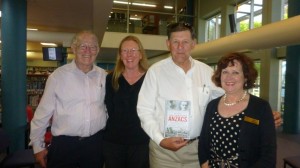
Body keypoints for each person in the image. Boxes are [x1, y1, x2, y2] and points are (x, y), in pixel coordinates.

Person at [137, 22, 282, 168]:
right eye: (175, 42)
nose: (180, 47)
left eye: (185, 42)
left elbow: (230, 93)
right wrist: (160, 140)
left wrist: (262, 114)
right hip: (164, 153)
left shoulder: (206, 72)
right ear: (168, 43)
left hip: (197, 150)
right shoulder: (155, 72)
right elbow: (144, 110)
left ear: (193, 43)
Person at [30, 30, 107, 168]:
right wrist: (38, 146)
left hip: (95, 145)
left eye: (93, 46)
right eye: (83, 46)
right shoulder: (58, 76)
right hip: (64, 146)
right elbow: (43, 113)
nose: (87, 51)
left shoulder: (104, 76)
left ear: (98, 50)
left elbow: (106, 109)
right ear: (73, 48)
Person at [198, 52, 276, 167]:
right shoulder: (212, 105)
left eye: (235, 72)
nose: (229, 77)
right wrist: (204, 163)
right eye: (225, 72)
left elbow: (268, 153)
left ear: (245, 77)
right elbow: (204, 140)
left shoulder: (260, 107)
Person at [103, 35, 150, 168]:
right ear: (120, 55)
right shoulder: (111, 78)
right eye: (125, 51)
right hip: (113, 143)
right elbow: (110, 109)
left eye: (134, 50)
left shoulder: (150, 78)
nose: (129, 54)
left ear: (141, 54)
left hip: (141, 142)